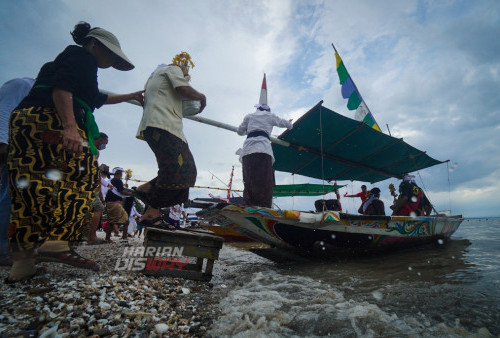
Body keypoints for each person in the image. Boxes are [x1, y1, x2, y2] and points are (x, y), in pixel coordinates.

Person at [6, 21, 144, 283]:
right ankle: (56, 243)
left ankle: (22, 264)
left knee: (28, 186)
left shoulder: (68, 61)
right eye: (110, 54)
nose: (112, 60)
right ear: (94, 44)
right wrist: (70, 126)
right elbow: (63, 89)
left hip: (28, 121)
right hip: (50, 120)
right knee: (81, 177)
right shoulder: (81, 56)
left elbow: (96, 98)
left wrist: (131, 96)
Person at [134, 52, 206, 226]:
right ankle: (152, 212)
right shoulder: (172, 69)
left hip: (168, 126)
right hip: (162, 124)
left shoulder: (156, 79)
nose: (186, 78)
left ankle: (147, 193)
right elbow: (184, 89)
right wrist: (201, 97)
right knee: (175, 169)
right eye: (186, 75)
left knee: (186, 171)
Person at [0, 78, 35, 266]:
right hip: (11, 146)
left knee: (15, 196)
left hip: (21, 148)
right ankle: (3, 250)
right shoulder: (22, 85)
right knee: (10, 196)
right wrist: (3, 141)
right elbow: (5, 111)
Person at [237, 103, 293, 207]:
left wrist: (249, 129)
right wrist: (290, 123)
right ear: (267, 110)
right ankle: (264, 205)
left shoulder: (249, 116)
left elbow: (239, 132)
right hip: (263, 150)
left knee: (249, 180)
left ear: (257, 109)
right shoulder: (270, 116)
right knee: (265, 180)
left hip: (248, 150)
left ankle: (248, 205)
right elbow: (287, 125)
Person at [87, 134, 109, 245]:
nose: (104, 146)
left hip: (88, 185)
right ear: (98, 139)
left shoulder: (87, 146)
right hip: (89, 185)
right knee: (98, 208)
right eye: (104, 143)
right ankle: (92, 237)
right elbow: (92, 170)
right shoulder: (94, 150)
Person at [104, 167, 132, 242]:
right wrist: (132, 194)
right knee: (123, 220)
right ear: (119, 173)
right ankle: (111, 238)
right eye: (121, 173)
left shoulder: (112, 181)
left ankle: (111, 237)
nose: (121, 174)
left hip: (111, 202)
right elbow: (121, 191)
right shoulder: (117, 181)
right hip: (114, 203)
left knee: (112, 220)